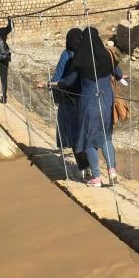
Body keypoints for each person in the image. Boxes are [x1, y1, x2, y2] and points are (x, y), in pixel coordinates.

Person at [57, 27, 125, 187]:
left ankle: (96, 177)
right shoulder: (107, 56)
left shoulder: (79, 59)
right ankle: (112, 171)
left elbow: (69, 81)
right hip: (107, 101)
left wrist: (56, 83)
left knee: (88, 141)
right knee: (106, 138)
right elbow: (119, 75)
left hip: (89, 103)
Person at [38, 28, 91, 178]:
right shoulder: (88, 53)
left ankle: (82, 166)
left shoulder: (67, 54)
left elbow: (57, 77)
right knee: (85, 132)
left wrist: (48, 85)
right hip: (86, 100)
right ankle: (91, 167)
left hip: (68, 101)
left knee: (73, 134)